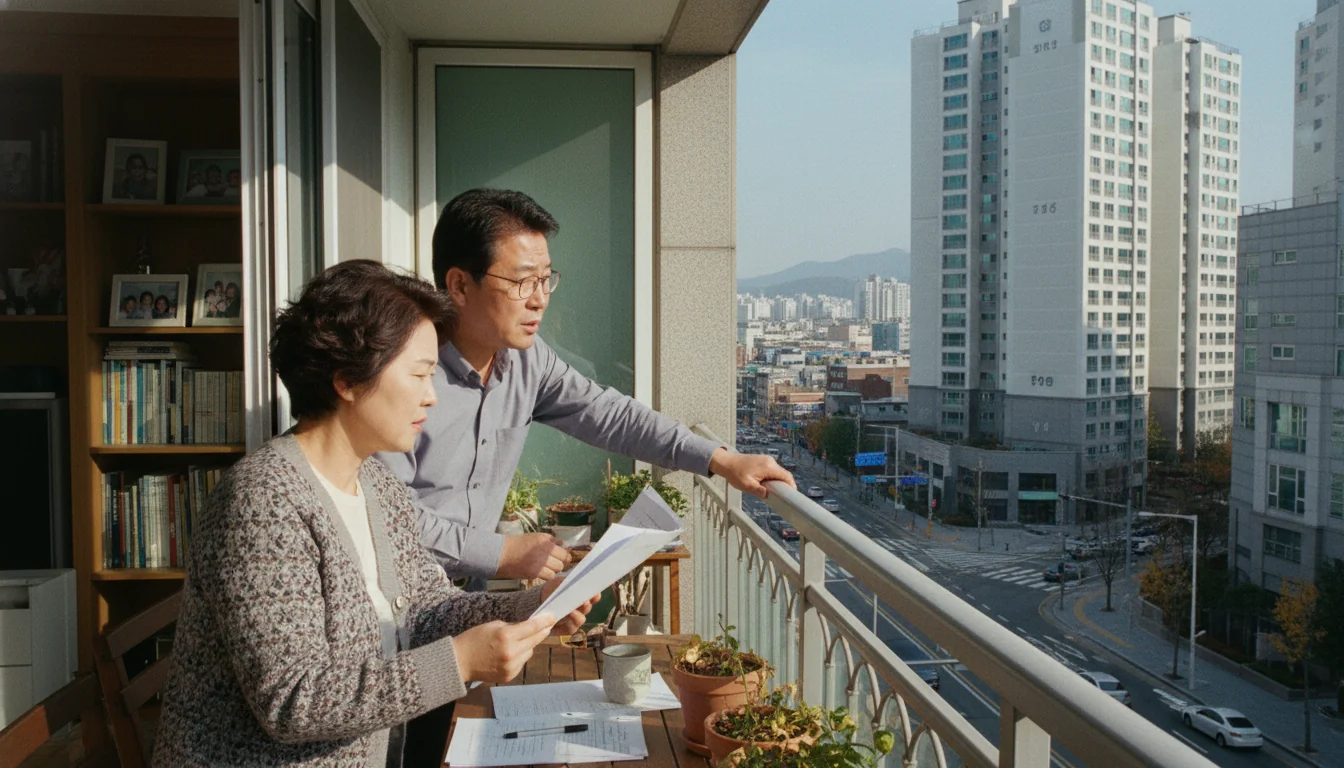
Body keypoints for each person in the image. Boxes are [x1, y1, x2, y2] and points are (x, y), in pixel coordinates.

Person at [154, 260, 597, 767]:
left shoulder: (376, 485)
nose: (432, 396)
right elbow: (294, 700)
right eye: (420, 374)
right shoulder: (265, 502)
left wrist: (533, 606)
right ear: (347, 380)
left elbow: (428, 609)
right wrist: (459, 660)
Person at [379, 188, 795, 589]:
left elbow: (610, 415)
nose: (540, 299)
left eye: (546, 280)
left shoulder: (527, 360)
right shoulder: (403, 376)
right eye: (524, 282)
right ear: (459, 285)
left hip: (464, 596)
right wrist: (500, 552)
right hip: (393, 595)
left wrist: (722, 460)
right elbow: (387, 517)